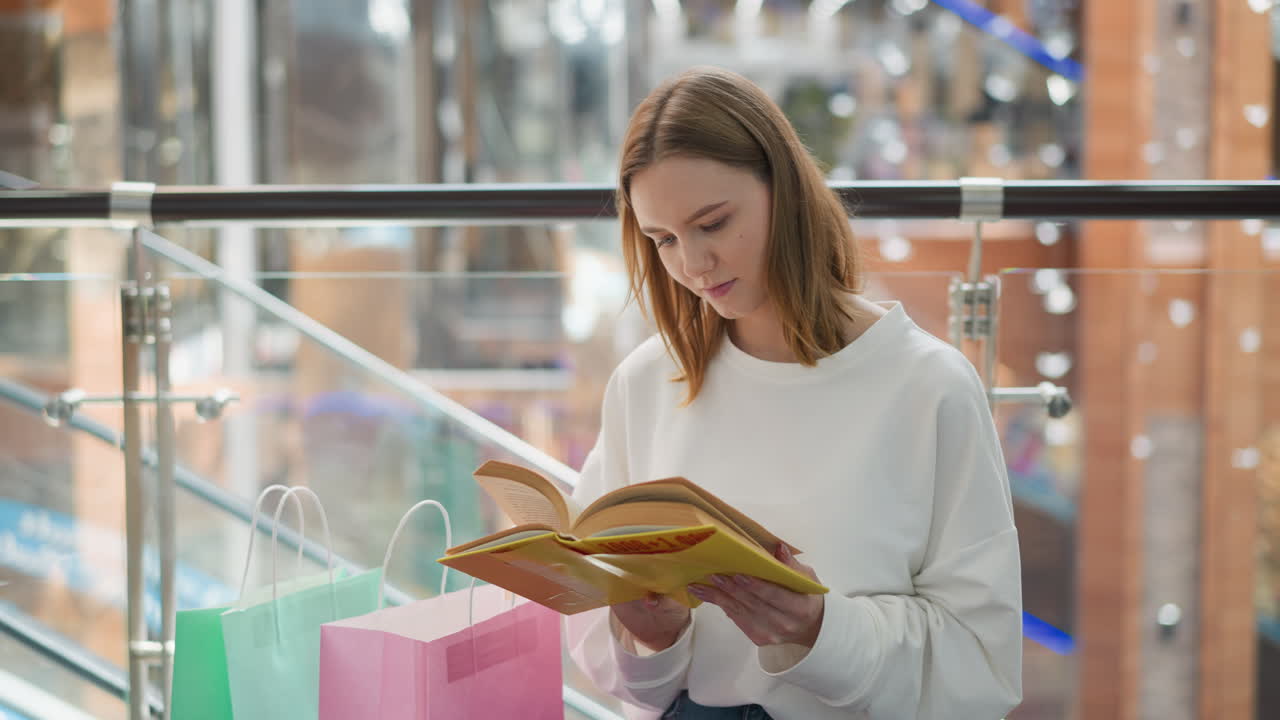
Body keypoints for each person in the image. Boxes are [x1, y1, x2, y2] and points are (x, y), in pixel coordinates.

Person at [565, 66, 1022, 720]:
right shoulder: (647, 382)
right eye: (663, 240)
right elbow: (618, 667)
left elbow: (982, 668)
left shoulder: (929, 388)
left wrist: (819, 630)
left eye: (713, 223)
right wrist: (650, 637)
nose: (692, 266)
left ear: (785, 191)